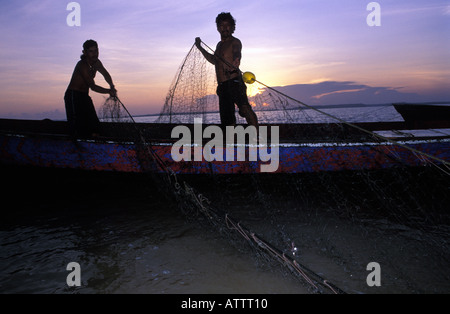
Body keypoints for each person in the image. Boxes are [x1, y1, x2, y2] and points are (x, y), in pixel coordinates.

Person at [195, 12, 258, 127]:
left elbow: (236, 51)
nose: (225, 28)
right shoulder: (219, 45)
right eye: (222, 25)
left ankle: (258, 137)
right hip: (222, 86)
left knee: (244, 109)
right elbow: (214, 60)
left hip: (234, 81)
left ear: (233, 27)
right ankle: (231, 142)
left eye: (228, 25)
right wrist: (200, 48)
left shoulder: (235, 42)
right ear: (218, 28)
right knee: (227, 120)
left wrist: (237, 59)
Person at [64, 39, 117, 137]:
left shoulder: (97, 63)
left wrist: (112, 86)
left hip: (84, 96)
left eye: (96, 50)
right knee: (77, 127)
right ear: (85, 52)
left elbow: (105, 74)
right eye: (91, 51)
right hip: (73, 96)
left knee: (94, 124)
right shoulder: (82, 65)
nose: (94, 54)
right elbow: (92, 86)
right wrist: (109, 91)